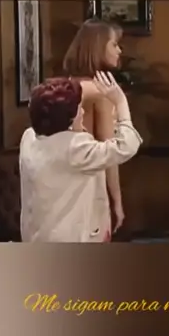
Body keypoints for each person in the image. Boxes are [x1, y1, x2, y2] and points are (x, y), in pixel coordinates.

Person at [19, 72, 142, 242]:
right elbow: (127, 145)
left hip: (37, 237)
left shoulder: (28, 138)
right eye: (78, 109)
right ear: (67, 120)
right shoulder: (76, 148)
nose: (82, 112)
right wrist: (120, 101)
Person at [63, 18, 126, 233]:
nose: (119, 50)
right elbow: (109, 153)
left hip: (64, 185)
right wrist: (117, 202)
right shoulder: (100, 93)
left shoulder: (67, 86)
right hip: (90, 186)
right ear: (98, 47)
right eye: (114, 44)